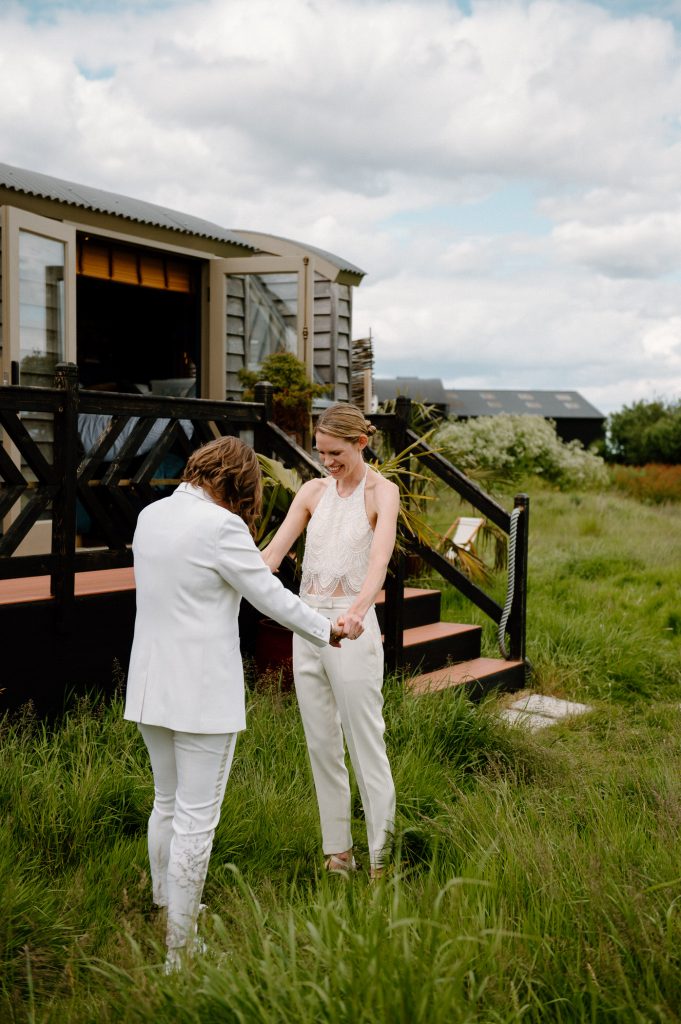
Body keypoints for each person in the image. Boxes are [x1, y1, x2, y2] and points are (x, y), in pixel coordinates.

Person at [124, 435, 351, 972]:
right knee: (196, 823)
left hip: (149, 687)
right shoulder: (221, 526)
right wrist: (327, 630)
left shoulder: (150, 515)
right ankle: (181, 950)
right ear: (235, 483)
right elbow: (267, 595)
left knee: (166, 803)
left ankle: (166, 904)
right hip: (201, 696)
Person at [262, 403, 399, 879]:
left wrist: (359, 610)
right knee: (322, 744)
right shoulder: (312, 491)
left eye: (336, 452)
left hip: (353, 630)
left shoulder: (383, 492)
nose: (328, 462)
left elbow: (378, 560)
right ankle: (339, 852)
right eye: (321, 452)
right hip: (307, 628)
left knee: (366, 743)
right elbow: (272, 556)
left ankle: (382, 859)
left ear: (361, 443)